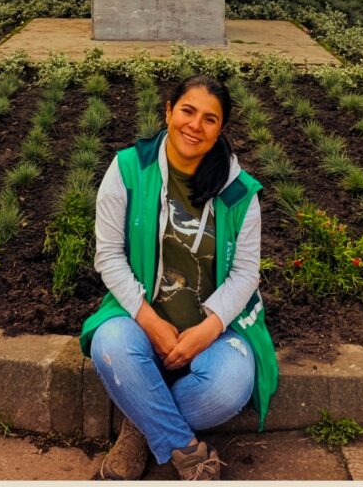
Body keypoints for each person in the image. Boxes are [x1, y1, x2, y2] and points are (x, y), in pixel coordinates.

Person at [82, 75, 277, 481]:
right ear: (169, 111)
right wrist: (150, 321)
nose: (195, 125)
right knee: (110, 344)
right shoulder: (129, 169)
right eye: (188, 111)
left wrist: (208, 330)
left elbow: (245, 274)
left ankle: (140, 423)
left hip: (216, 329)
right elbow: (109, 255)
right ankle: (188, 453)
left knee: (229, 387)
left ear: (220, 129)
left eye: (210, 119)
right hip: (141, 318)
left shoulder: (239, 192)